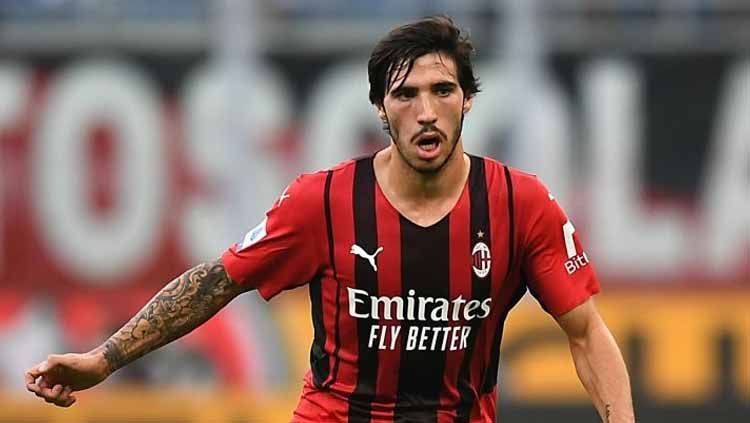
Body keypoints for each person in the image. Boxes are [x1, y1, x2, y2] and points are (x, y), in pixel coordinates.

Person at [25, 15, 634, 423]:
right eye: (405, 94)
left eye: (442, 91)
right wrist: (103, 359)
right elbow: (216, 281)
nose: (426, 111)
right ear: (379, 109)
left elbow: (585, 333)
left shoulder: (520, 203)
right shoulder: (325, 200)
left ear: (468, 99)